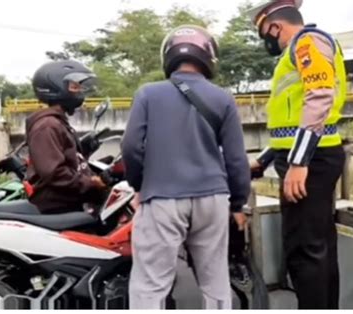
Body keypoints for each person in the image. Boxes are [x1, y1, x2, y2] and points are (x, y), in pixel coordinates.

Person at [122, 25, 251, 309]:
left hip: (163, 199)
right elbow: (236, 159)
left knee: (150, 286)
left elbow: (130, 147)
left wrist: (140, 186)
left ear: (168, 55)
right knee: (215, 283)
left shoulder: (148, 94)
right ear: (209, 56)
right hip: (213, 199)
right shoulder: (223, 98)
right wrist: (239, 204)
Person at [247, 0, 347, 309]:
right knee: (318, 248)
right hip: (309, 156)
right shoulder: (298, 51)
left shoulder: (308, 43)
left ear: (275, 27)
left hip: (310, 161)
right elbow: (291, 122)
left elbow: (319, 99)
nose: (268, 40)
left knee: (305, 252)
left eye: (266, 33)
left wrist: (299, 161)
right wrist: (263, 160)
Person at [25, 60, 106, 214]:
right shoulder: (47, 126)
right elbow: (55, 174)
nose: (79, 91)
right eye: (74, 86)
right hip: (58, 208)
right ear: (56, 87)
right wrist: (91, 183)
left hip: (69, 203)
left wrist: (85, 151)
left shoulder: (58, 122)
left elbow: (69, 162)